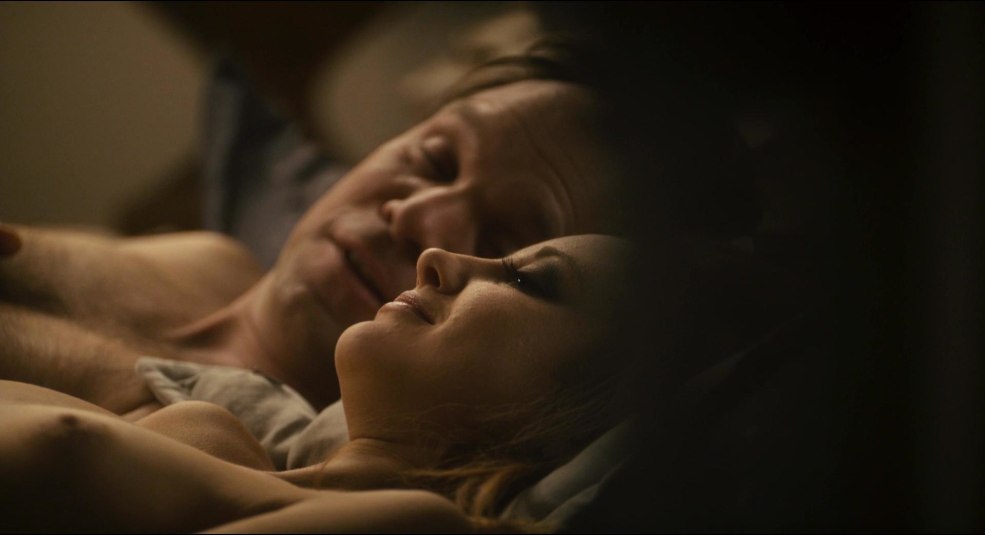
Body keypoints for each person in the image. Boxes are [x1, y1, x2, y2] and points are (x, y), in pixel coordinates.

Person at [0, 38, 757, 416]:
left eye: (506, 246)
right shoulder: (203, 257)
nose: (419, 217)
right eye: (434, 158)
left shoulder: (274, 476)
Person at [0, 234, 636, 532]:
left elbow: (64, 452)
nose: (436, 256)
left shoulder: (415, 525)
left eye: (528, 280)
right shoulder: (212, 432)